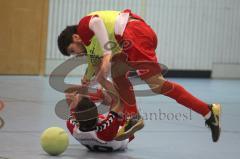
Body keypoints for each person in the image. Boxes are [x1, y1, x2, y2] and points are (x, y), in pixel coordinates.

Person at [58, 9, 222, 142]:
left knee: (157, 85)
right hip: (132, 37)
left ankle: (207, 111)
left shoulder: (84, 25)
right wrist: (88, 79)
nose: (76, 55)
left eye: (72, 51)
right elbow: (95, 64)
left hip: (133, 32)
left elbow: (96, 21)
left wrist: (107, 54)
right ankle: (134, 116)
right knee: (118, 74)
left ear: (76, 37)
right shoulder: (92, 46)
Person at [65, 89, 134, 152]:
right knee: (121, 114)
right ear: (97, 116)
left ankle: (102, 96)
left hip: (100, 137)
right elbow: (120, 101)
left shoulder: (72, 127)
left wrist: (84, 88)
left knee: (85, 110)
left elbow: (73, 108)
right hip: (120, 139)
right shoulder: (105, 129)